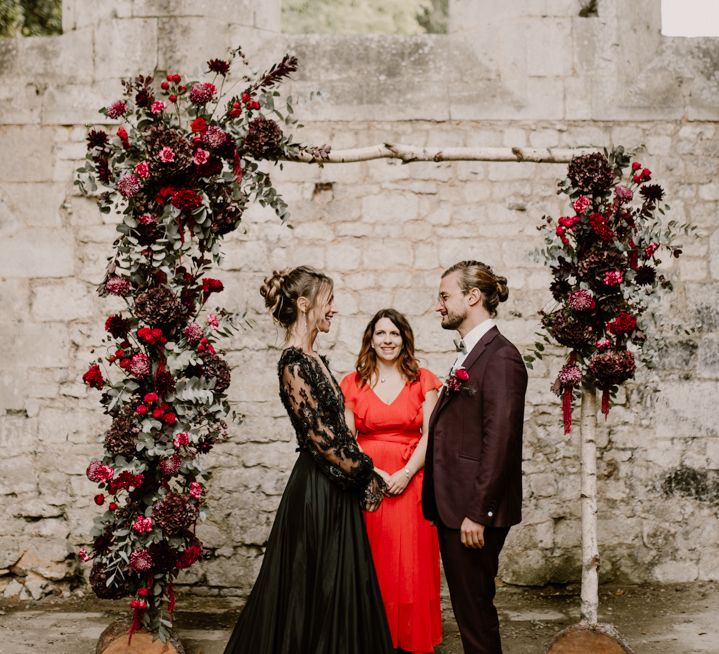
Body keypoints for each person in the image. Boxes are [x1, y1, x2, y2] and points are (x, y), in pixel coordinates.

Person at [224, 266, 394, 654]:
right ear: (304, 305)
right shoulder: (294, 364)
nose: (333, 309)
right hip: (316, 491)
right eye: (327, 301)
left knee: (341, 585)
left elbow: (336, 429)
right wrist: (368, 471)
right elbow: (322, 439)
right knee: (312, 588)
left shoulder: (314, 358)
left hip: (333, 486)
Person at [422, 260, 528, 654]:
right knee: (470, 612)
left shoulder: (500, 357)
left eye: (445, 296)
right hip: (456, 506)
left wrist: (478, 513)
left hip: (471, 513)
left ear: (472, 297)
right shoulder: (471, 354)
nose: (439, 306)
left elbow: (500, 440)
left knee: (475, 616)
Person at [340, 308, 443, 654]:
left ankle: (411, 639)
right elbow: (347, 437)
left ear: (404, 339)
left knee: (412, 562)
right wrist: (374, 472)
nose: (387, 340)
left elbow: (431, 434)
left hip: (412, 478)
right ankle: (372, 635)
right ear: (371, 338)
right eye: (381, 333)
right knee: (374, 557)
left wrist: (405, 473)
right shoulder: (352, 382)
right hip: (370, 482)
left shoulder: (424, 380)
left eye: (394, 334)